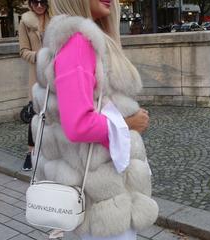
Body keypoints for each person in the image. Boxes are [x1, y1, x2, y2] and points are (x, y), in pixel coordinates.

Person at [32, 0, 159, 239]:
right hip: (102, 200)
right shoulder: (79, 42)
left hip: (96, 193)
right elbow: (78, 125)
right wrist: (129, 124)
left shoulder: (68, 41)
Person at [18, 0, 50, 171]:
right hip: (36, 75)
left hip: (56, 73)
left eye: (42, 2)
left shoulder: (55, 18)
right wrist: (38, 56)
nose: (39, 5)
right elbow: (23, 51)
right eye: (35, 2)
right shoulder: (25, 21)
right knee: (34, 115)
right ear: (30, 3)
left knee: (55, 113)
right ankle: (30, 153)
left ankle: (51, 152)